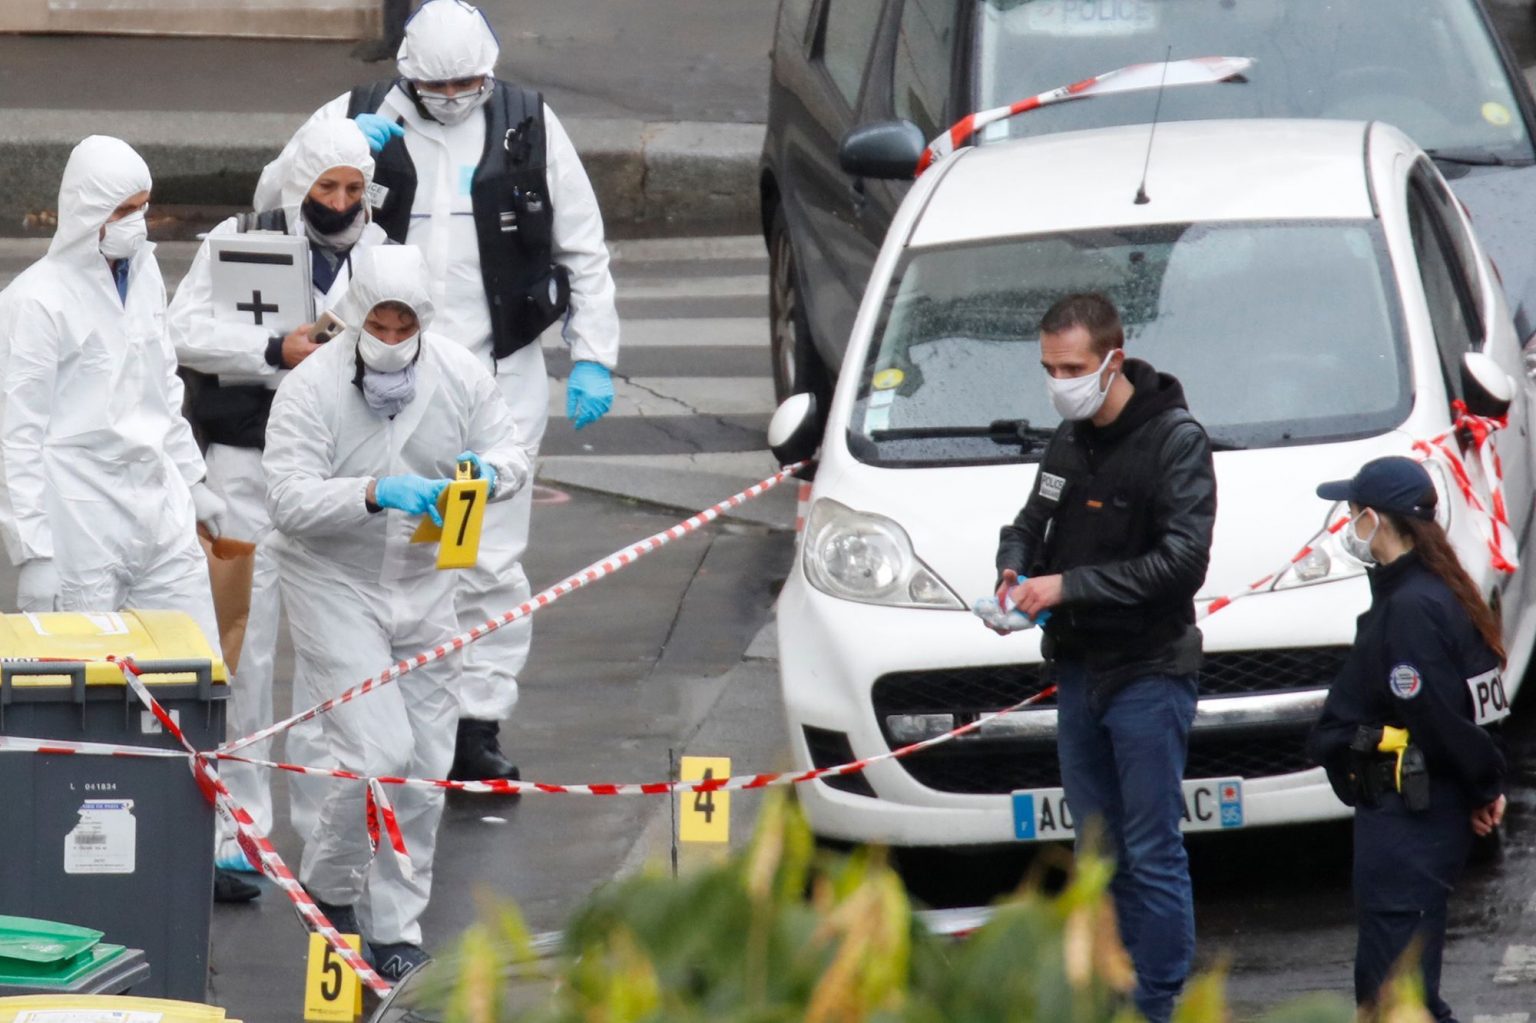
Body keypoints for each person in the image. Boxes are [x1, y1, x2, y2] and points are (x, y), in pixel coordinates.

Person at [254, 0, 622, 782]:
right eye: (439, 85)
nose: (455, 96)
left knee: (483, 552)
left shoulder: (529, 124)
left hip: (493, 372)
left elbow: (582, 248)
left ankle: (475, 724)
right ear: (408, 76)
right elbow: (270, 196)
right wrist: (337, 154)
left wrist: (592, 353)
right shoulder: (356, 115)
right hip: (383, 371)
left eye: (469, 82)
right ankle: (374, 709)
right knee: (380, 548)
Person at [0, 135, 258, 904]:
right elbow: (15, 433)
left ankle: (204, 841)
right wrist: (32, 545)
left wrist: (196, 482)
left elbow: (162, 395)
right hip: (78, 509)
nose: (136, 224)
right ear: (85, 211)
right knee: (84, 692)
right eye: (122, 210)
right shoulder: (34, 302)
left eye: (143, 208)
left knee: (200, 675)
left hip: (155, 507)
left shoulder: (144, 276)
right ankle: (67, 856)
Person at [263, 244, 530, 979]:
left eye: (401, 323)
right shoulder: (312, 387)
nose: (389, 337)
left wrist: (493, 473)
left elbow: (511, 448)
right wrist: (374, 492)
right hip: (334, 581)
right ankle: (331, 885)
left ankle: (394, 929)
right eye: (376, 322)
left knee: (424, 765)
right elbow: (285, 499)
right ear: (354, 316)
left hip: (424, 582)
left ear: (423, 320)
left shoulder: (458, 375)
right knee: (377, 752)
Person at [167, 119, 388, 874]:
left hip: (334, 477)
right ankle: (237, 828)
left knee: (334, 652)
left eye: (353, 188)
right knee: (243, 652)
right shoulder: (242, 238)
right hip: (246, 465)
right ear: (299, 185)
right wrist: (272, 350)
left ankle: (329, 832)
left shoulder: (387, 257)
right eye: (326, 187)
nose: (340, 202)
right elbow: (183, 330)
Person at [991, 293, 1216, 1023]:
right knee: (1096, 854)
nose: (1060, 381)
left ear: (1113, 360)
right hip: (1079, 671)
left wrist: (1069, 584)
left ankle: (1155, 1001)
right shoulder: (1069, 436)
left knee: (1152, 851)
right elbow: (1031, 519)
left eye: (1073, 367)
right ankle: (1110, 990)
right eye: (1050, 367)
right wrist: (1013, 568)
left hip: (1148, 671)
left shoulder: (1174, 441)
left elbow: (1182, 563)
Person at [1309, 456, 1507, 1022]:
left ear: (1372, 519)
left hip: (1408, 817)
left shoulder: (1411, 608)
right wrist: (1481, 784)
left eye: (1350, 513)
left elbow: (1440, 715)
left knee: (1396, 999)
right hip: (1412, 809)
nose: (1348, 526)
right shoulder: (1431, 590)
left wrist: (1481, 784)